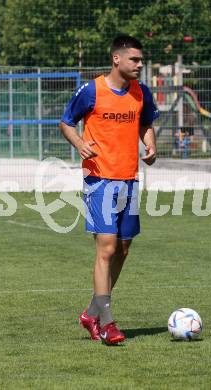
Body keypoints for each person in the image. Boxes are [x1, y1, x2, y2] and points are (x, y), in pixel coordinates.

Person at [59, 35, 159, 345]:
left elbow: (146, 123)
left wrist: (151, 143)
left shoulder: (141, 92)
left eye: (140, 60)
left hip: (129, 179)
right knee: (107, 248)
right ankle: (107, 323)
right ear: (117, 59)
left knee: (124, 249)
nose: (139, 65)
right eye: (135, 60)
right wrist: (79, 143)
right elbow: (65, 122)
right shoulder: (92, 90)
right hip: (99, 179)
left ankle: (91, 313)